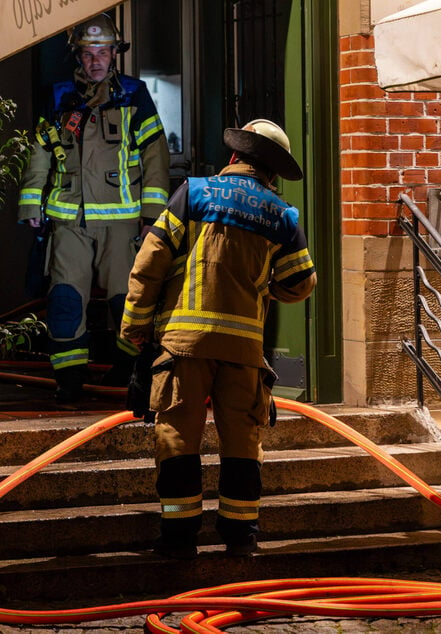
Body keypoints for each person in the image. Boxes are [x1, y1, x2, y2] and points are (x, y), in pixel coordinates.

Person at [120, 119, 316, 559]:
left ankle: (179, 538)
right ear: (271, 173)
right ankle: (241, 535)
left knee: (176, 436)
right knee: (244, 441)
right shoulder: (281, 215)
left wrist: (135, 325)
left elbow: (150, 260)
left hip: (183, 345)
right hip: (244, 351)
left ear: (234, 157)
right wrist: (263, 283)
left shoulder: (193, 192)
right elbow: (301, 282)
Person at [17, 13, 170, 403]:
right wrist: (32, 201)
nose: (96, 60)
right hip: (68, 218)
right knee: (65, 299)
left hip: (122, 223)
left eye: (103, 52)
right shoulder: (59, 97)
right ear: (78, 56)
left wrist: (152, 217)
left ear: (115, 54)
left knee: (128, 301)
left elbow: (156, 156)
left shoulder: (134, 96)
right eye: (89, 53)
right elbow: (39, 153)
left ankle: (128, 368)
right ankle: (68, 380)